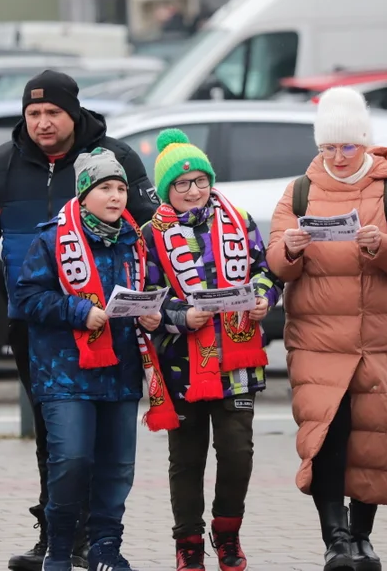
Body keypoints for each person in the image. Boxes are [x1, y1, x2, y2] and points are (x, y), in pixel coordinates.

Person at [0, 70, 157, 570]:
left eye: (53, 113)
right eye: (33, 113)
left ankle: (96, 540)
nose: (42, 123)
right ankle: (57, 539)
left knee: (104, 442)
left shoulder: (116, 160)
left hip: (113, 327)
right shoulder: (0, 165)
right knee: (58, 437)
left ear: (74, 112)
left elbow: (154, 233)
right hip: (38, 322)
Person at [266, 86, 387, 571]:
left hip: (381, 341)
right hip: (317, 340)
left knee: (374, 438)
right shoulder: (298, 191)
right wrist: (291, 249)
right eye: (327, 147)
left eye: (348, 146)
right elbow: (275, 261)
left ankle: (363, 537)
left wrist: (382, 245)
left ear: (365, 142)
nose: (337, 157)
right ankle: (335, 538)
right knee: (326, 437)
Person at [14, 148, 175, 571]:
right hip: (65, 373)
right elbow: (27, 298)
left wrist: (154, 313)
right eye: (105, 187)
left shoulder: (135, 241)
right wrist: (78, 311)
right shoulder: (51, 238)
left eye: (121, 188)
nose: (117, 196)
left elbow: (154, 291)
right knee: (71, 461)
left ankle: (105, 547)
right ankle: (61, 547)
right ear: (84, 193)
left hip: (120, 373)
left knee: (117, 467)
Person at [141, 129, 281, 571]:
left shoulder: (238, 218)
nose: (194, 190)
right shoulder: (151, 234)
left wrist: (263, 297)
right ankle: (187, 542)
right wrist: (181, 317)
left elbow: (265, 270)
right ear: (167, 189)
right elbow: (144, 294)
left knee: (238, 452)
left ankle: (228, 533)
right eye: (183, 184)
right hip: (180, 362)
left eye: (201, 180)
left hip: (236, 358)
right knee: (186, 458)